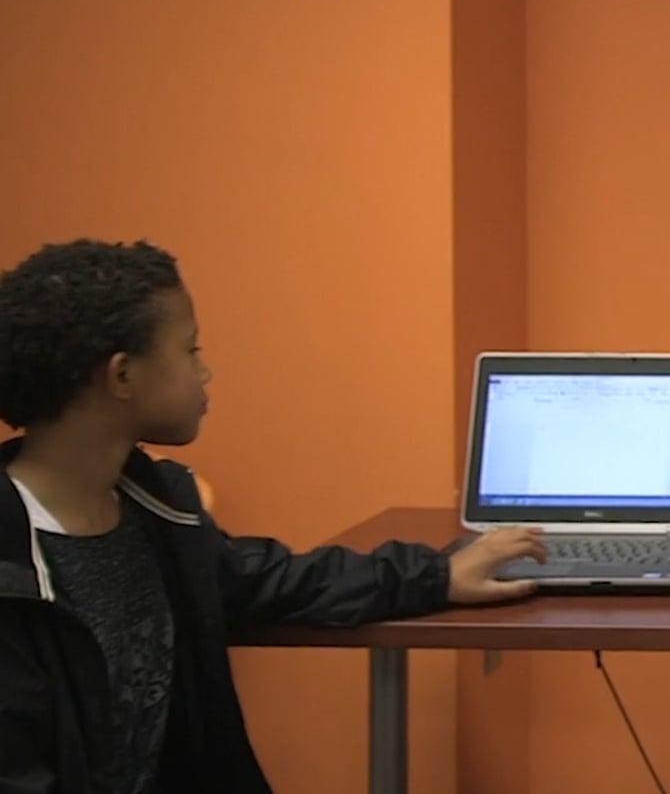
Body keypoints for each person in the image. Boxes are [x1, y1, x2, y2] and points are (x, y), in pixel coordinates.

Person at [0, 239, 544, 794]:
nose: (205, 372)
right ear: (122, 376)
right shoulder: (13, 568)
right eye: (190, 350)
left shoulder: (158, 511)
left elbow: (272, 579)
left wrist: (440, 574)